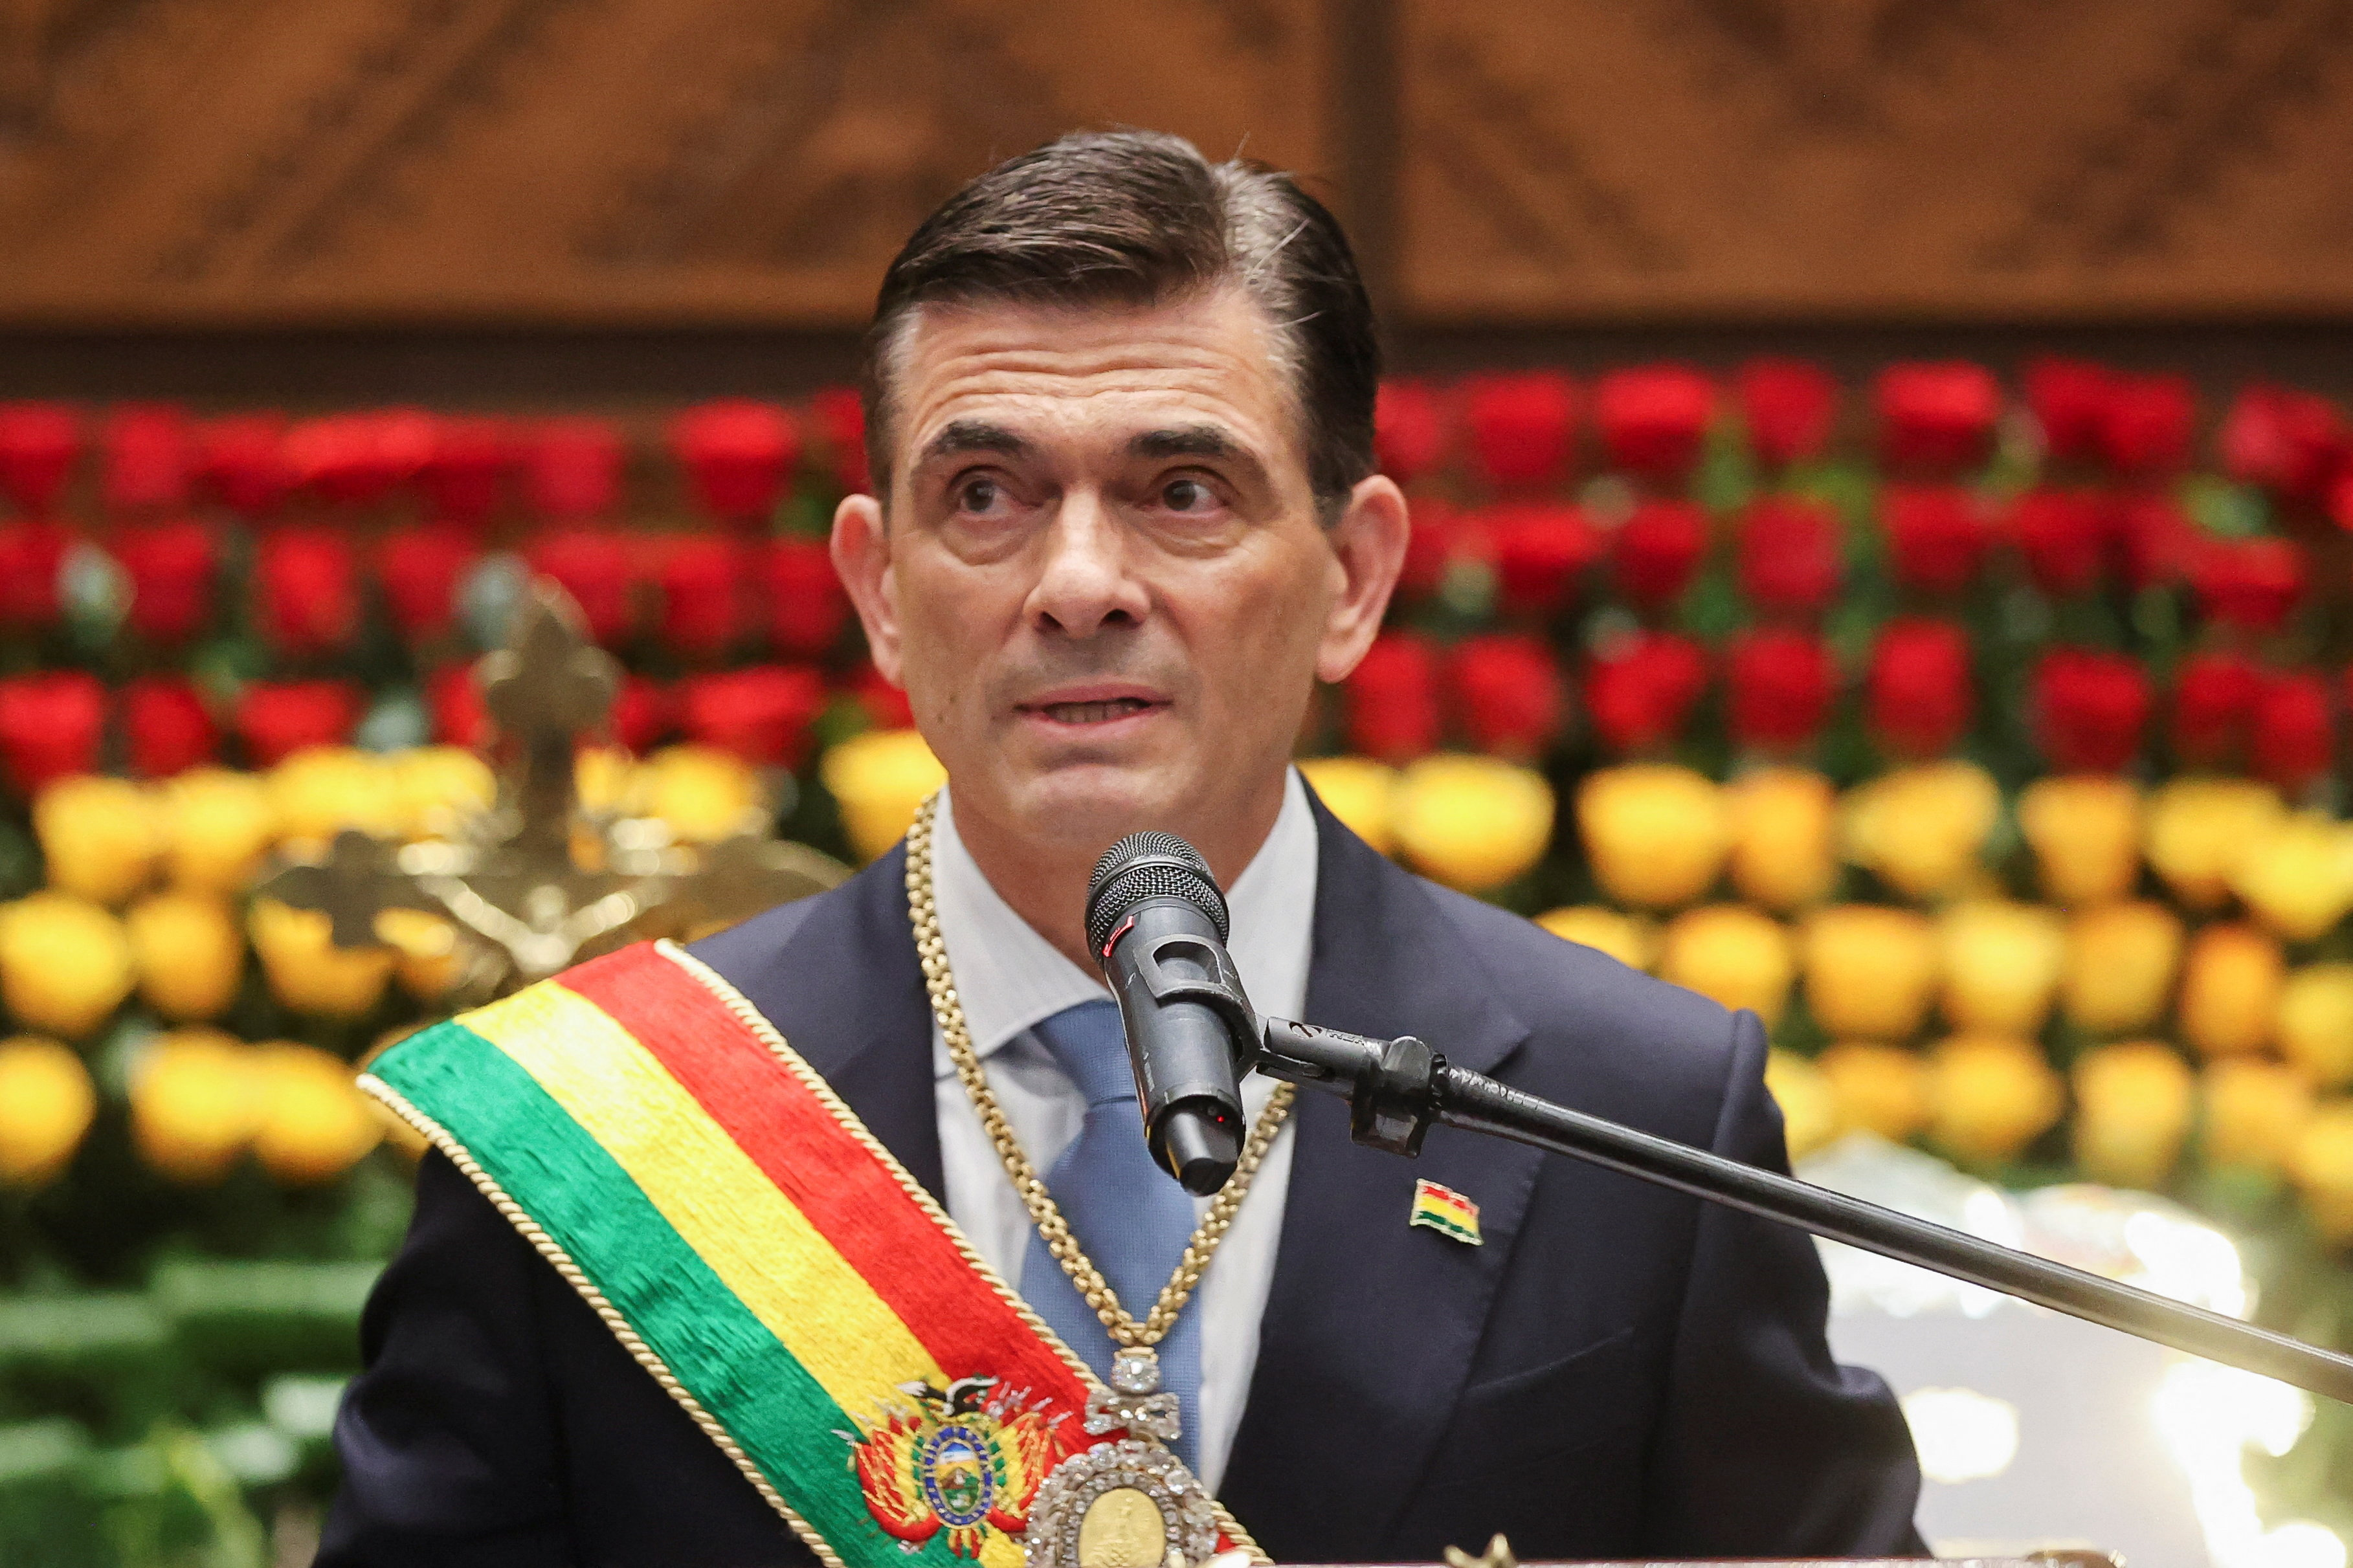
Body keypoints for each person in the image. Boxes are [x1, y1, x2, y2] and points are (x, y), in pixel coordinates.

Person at [319, 131, 1923, 1566]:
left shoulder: (1630, 1114)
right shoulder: (604, 1138)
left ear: (1354, 577)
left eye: (1183, 490)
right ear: (882, 590)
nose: (1080, 583)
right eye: (987, 494)